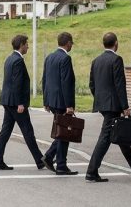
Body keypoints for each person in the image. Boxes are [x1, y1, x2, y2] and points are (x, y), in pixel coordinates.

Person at [85, 32, 131, 182]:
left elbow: (92, 84)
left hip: (103, 104)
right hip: (113, 105)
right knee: (105, 138)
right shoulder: (116, 60)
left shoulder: (96, 61)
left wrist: (100, 99)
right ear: (115, 43)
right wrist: (125, 106)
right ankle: (91, 171)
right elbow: (119, 85)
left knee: (120, 135)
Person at [0, 34, 45, 171]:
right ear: (21, 44)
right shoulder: (18, 61)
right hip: (15, 103)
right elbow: (17, 84)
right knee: (28, 131)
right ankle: (40, 161)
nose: (28, 46)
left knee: (5, 132)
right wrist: (20, 103)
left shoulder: (9, 59)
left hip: (7, 100)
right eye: (26, 44)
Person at [42, 32, 77, 175]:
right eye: (71, 43)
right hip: (62, 101)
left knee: (61, 132)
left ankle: (50, 157)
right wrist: (69, 105)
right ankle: (61, 164)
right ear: (68, 43)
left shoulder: (49, 57)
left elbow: (44, 80)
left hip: (52, 100)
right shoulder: (65, 58)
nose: (71, 46)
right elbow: (66, 83)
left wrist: (46, 101)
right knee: (64, 133)